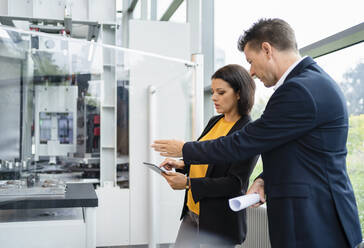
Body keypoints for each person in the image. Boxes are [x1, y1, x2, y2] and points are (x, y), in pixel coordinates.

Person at [153, 18, 363, 248]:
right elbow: (300, 153)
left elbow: (243, 143)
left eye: (251, 61)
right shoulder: (308, 83)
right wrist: (265, 179)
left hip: (314, 221)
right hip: (311, 216)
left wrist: (184, 148)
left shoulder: (299, 89)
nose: (251, 72)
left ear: (267, 49)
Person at [152, 64, 259, 247]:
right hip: (192, 211)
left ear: (239, 93)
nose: (214, 98)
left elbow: (235, 184)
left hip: (218, 221)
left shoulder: (249, 132)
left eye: (221, 92)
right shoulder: (215, 121)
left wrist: (187, 183)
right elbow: (205, 159)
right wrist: (181, 165)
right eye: (213, 92)